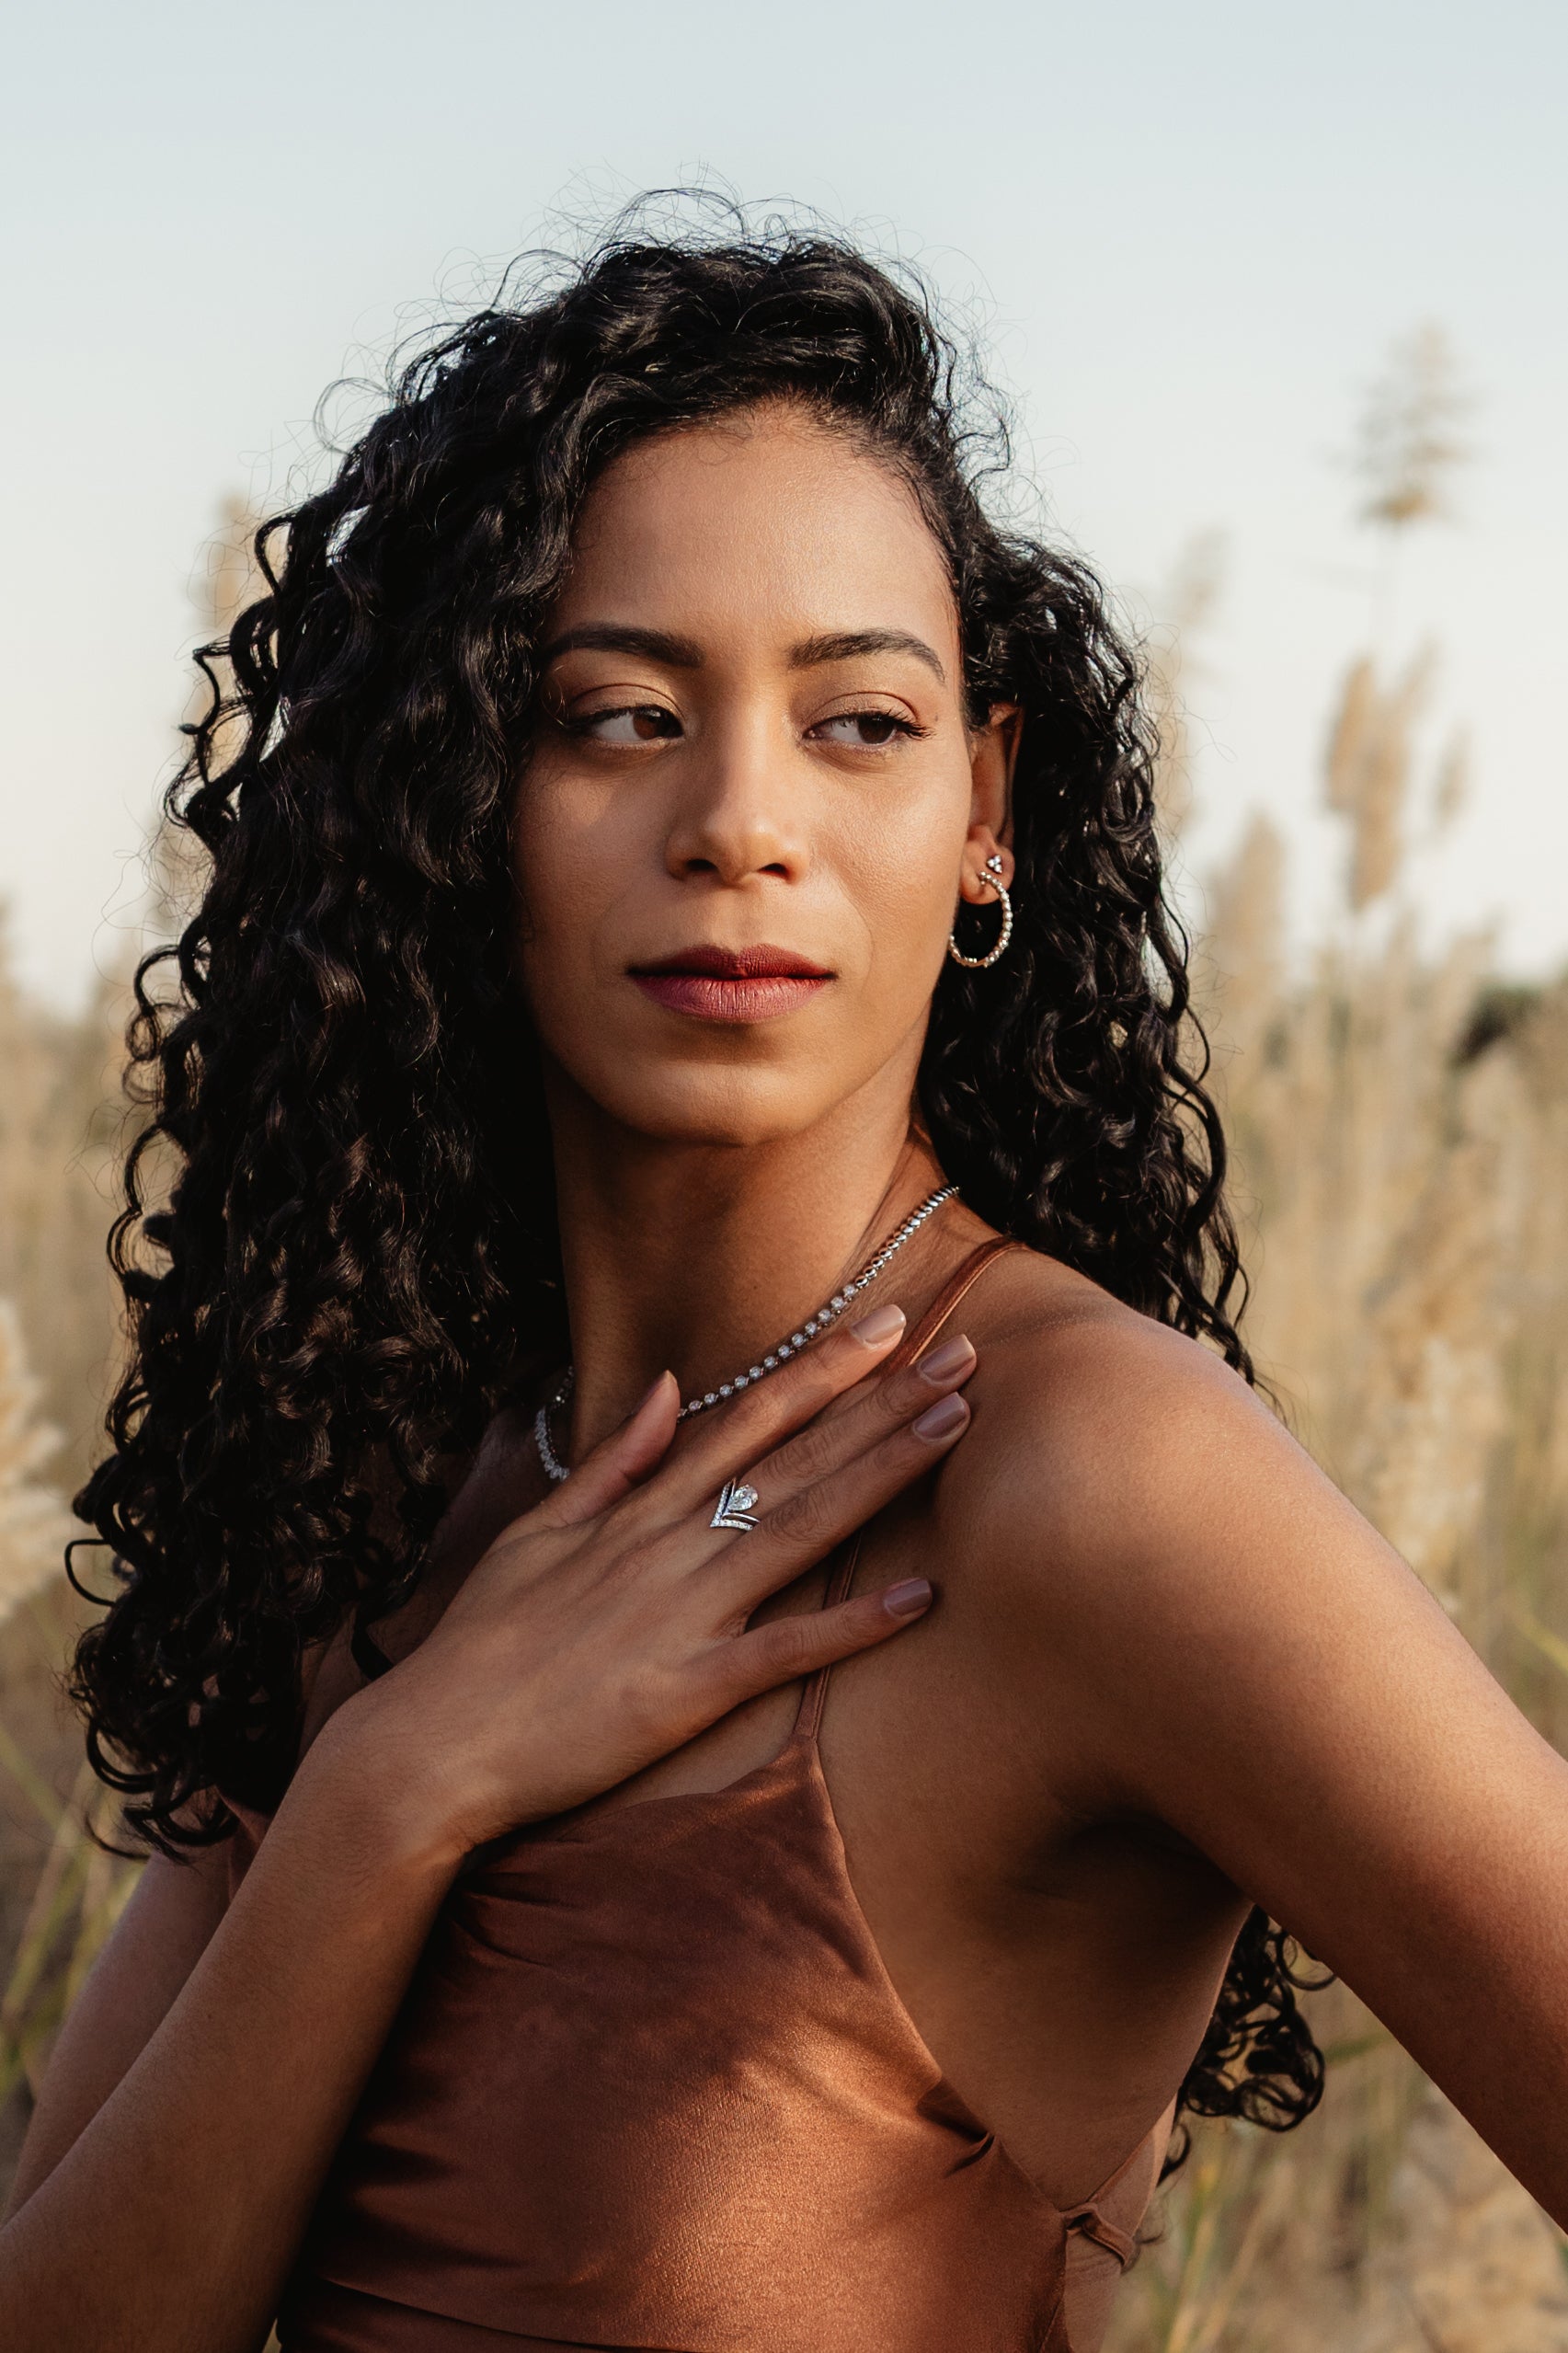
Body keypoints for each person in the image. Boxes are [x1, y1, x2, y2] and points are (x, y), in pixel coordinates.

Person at [4, 215, 1566, 2353]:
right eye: (620, 715)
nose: (741, 820)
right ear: (466, 791)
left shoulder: (1085, 1476)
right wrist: (394, 1787)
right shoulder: (380, 1474)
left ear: (983, 807)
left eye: (857, 723)